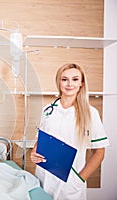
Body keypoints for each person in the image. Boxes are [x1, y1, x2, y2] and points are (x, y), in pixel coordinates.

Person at [30, 63, 109, 200]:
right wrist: (33, 153)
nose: (69, 84)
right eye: (64, 79)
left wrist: (79, 179)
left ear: (81, 84)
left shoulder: (90, 113)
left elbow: (100, 152)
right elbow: (40, 141)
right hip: (44, 176)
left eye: (75, 79)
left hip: (71, 182)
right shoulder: (48, 110)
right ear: (59, 82)